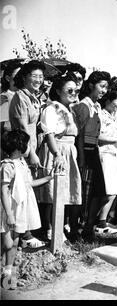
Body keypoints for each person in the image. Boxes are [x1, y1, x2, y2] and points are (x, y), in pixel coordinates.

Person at [1, 130, 53, 288]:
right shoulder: (7, 166)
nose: (30, 147)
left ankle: (7, 275)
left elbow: (28, 185)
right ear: (19, 148)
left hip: (19, 209)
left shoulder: (22, 164)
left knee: (15, 241)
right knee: (7, 243)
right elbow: (3, 190)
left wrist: (48, 178)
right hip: (7, 209)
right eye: (29, 144)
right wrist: (9, 214)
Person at [37, 72, 82, 242]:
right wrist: (57, 154)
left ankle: (59, 226)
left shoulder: (70, 110)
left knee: (63, 192)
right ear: (58, 91)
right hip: (57, 150)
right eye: (69, 90)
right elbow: (49, 134)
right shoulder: (51, 109)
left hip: (69, 151)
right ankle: (49, 228)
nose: (73, 94)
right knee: (51, 192)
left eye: (75, 91)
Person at [9, 59, 46, 247]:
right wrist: (31, 153)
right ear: (24, 77)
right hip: (21, 149)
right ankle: (24, 235)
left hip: (32, 148)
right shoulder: (20, 97)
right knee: (21, 191)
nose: (38, 79)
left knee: (27, 191)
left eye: (41, 76)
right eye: (34, 76)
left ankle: (26, 233)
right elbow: (23, 127)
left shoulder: (34, 97)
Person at [73, 71, 110, 240]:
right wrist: (81, 158)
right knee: (84, 194)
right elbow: (79, 135)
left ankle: (89, 226)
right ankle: (78, 229)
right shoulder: (82, 106)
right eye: (101, 86)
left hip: (94, 152)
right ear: (90, 86)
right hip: (85, 153)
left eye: (106, 87)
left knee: (100, 193)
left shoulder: (97, 106)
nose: (104, 90)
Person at [94, 81, 117, 233]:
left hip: (112, 154)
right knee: (107, 191)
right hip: (104, 154)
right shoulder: (101, 115)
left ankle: (102, 221)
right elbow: (98, 136)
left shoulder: (113, 115)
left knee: (113, 191)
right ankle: (97, 222)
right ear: (108, 100)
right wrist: (116, 140)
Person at [0, 60, 22, 135]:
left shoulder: (25, 96)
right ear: (8, 78)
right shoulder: (4, 97)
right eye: (17, 75)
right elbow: (3, 126)